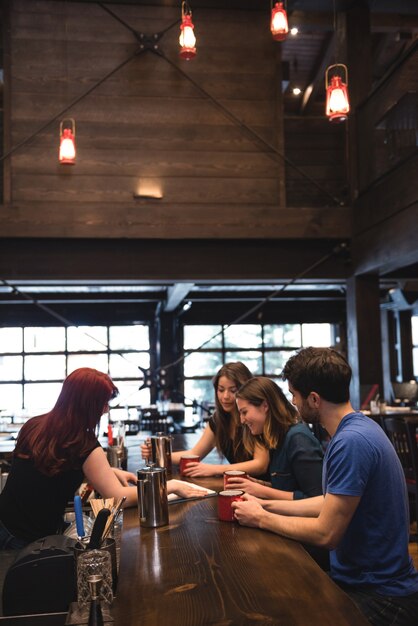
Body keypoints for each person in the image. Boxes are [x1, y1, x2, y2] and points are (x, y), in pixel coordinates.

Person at [232, 348, 418, 626]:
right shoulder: (356, 430)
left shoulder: (350, 442)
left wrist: (262, 519)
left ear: (314, 399)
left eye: (294, 395)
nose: (293, 403)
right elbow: (328, 502)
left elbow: (326, 533)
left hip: (382, 596)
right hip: (365, 583)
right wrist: (265, 504)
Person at [0, 367, 205, 550]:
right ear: (88, 404)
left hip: (6, 524)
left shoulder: (34, 425)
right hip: (26, 540)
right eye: (103, 402)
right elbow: (117, 497)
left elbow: (52, 471)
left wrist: (109, 472)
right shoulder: (83, 442)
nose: (106, 408)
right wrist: (170, 486)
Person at [141, 362, 269, 477]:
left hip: (266, 488)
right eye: (221, 390)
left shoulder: (254, 419)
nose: (225, 396)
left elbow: (260, 465)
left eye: (233, 390)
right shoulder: (218, 421)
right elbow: (194, 454)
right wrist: (157, 454)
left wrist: (214, 469)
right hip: (244, 487)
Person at [226, 376, 323, 500]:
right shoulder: (276, 438)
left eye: (244, 412)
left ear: (265, 406)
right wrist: (259, 485)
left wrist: (262, 490)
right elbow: (288, 487)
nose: (242, 420)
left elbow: (317, 499)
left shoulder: (298, 439)